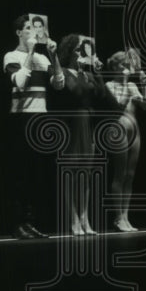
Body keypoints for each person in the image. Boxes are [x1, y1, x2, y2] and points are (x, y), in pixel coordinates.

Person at [2, 14, 65, 238]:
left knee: (36, 174)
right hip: (21, 118)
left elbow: (59, 84)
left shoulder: (44, 58)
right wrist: (29, 52)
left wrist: (53, 54)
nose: (34, 32)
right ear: (19, 32)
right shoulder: (11, 55)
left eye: (36, 28)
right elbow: (19, 82)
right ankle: (18, 223)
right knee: (20, 173)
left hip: (41, 116)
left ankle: (31, 222)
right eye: (28, 28)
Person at [53, 34, 112, 236]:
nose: (82, 53)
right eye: (78, 49)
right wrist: (80, 70)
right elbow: (76, 92)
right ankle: (73, 219)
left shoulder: (86, 74)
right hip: (72, 123)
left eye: (85, 50)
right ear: (70, 50)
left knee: (85, 175)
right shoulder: (62, 70)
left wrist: (96, 72)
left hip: (89, 122)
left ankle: (85, 218)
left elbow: (103, 95)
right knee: (70, 173)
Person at [104, 50, 146, 232]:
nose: (126, 69)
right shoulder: (109, 85)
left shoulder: (131, 84)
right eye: (122, 65)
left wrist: (144, 86)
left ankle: (125, 216)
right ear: (114, 67)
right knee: (120, 173)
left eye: (127, 65)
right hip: (117, 129)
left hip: (135, 130)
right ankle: (117, 217)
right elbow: (118, 107)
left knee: (130, 175)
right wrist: (125, 86)